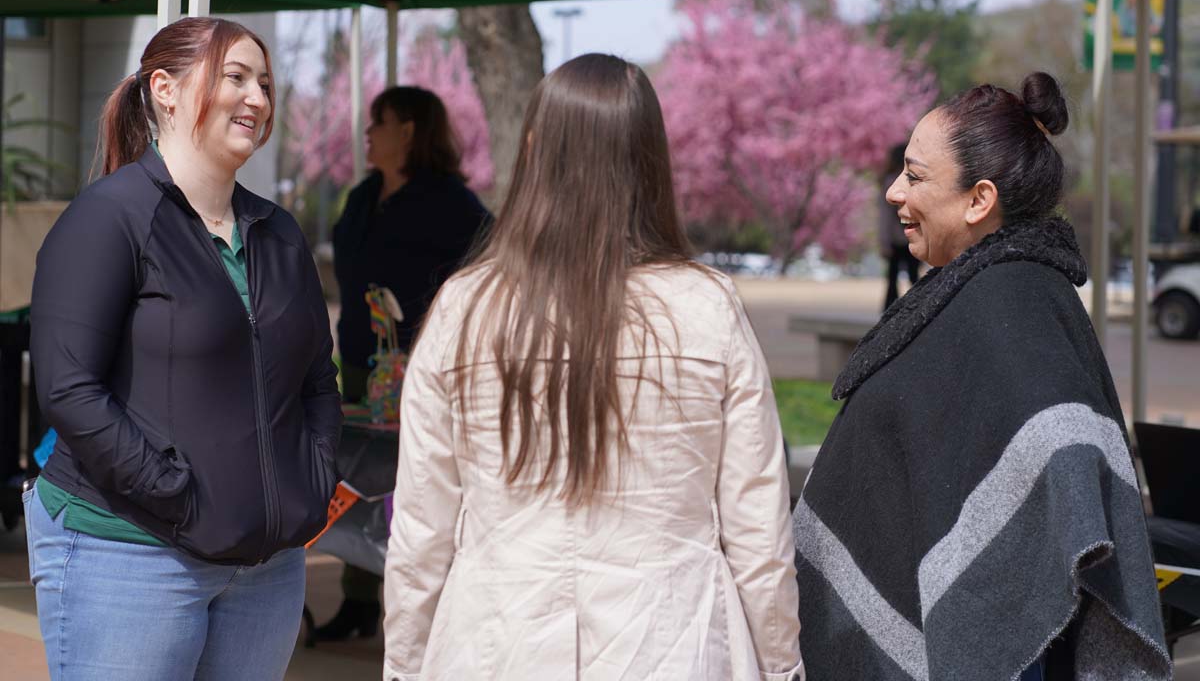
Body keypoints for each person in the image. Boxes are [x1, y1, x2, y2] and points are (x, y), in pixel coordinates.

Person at [382, 54, 802, 680]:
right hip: (671, 642)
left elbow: (421, 533)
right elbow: (758, 531)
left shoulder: (464, 309)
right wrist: (781, 666)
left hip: (496, 641)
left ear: (534, 150)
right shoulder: (707, 306)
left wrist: (405, 667)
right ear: (651, 159)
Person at [793, 73, 1170, 680]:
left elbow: (1062, 453)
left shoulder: (1010, 304)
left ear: (979, 199)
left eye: (915, 177)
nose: (893, 192)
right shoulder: (987, 288)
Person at [25, 17, 341, 681]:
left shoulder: (278, 233)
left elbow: (315, 378)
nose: (257, 97)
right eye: (235, 77)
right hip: (130, 551)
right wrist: (175, 493)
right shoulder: (110, 218)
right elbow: (67, 389)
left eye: (265, 82)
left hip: (266, 566)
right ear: (164, 89)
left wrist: (308, 482)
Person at [317, 86, 491, 641]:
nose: (369, 133)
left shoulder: (451, 203)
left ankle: (427, 606)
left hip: (427, 372)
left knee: (416, 484)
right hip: (364, 364)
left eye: (380, 122)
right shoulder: (365, 195)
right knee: (355, 474)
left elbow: (490, 275)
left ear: (410, 130)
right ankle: (361, 596)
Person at [880, 143, 920, 310]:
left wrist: (884, 240)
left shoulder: (889, 181)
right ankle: (915, 305)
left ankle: (892, 308)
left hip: (899, 238)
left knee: (894, 277)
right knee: (909, 276)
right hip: (902, 236)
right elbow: (886, 216)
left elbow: (884, 217)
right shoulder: (894, 182)